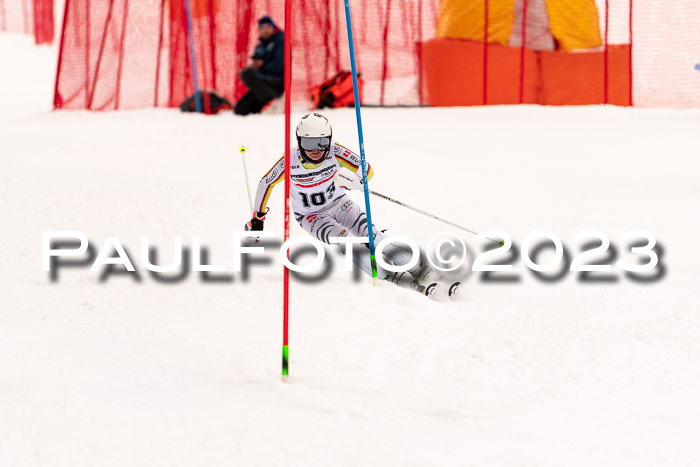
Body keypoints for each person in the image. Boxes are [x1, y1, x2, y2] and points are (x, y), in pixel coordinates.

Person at [244, 113, 459, 299]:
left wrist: (357, 181)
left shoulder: (334, 152)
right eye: (309, 144)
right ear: (299, 141)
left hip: (340, 203)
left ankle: (421, 268)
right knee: (346, 240)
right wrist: (258, 218)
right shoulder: (289, 161)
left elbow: (366, 168)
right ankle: (393, 276)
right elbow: (266, 183)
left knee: (372, 236)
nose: (317, 150)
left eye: (322, 142)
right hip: (311, 216)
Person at [234, 16, 285, 115]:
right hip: (263, 84)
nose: (265, 30)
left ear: (273, 28)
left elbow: (278, 65)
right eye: (262, 28)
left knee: (246, 73)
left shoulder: (281, 40)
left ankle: (274, 102)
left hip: (276, 82)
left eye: (268, 27)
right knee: (240, 109)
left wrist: (262, 65)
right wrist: (256, 66)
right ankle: (269, 103)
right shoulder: (260, 46)